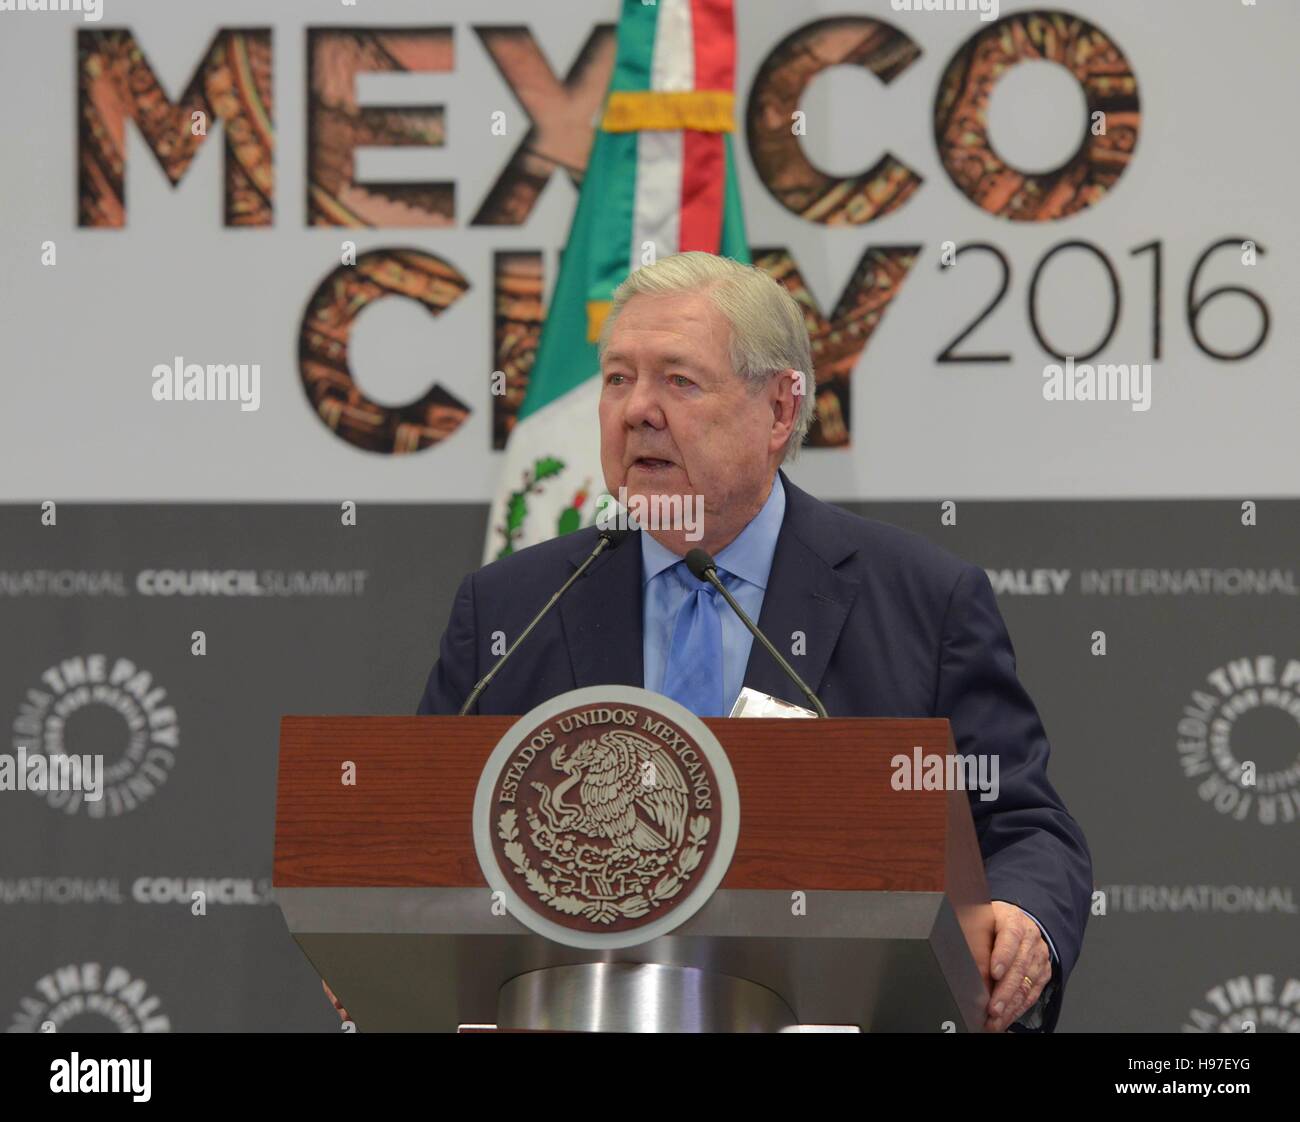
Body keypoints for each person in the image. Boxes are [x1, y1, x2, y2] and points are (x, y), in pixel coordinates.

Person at [413, 251, 1092, 1032]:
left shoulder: (923, 600)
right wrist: (382, 930)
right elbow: (431, 844)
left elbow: (1022, 825)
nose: (637, 410)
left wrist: (1023, 920)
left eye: (679, 380)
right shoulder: (512, 605)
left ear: (778, 411)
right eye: (617, 379)